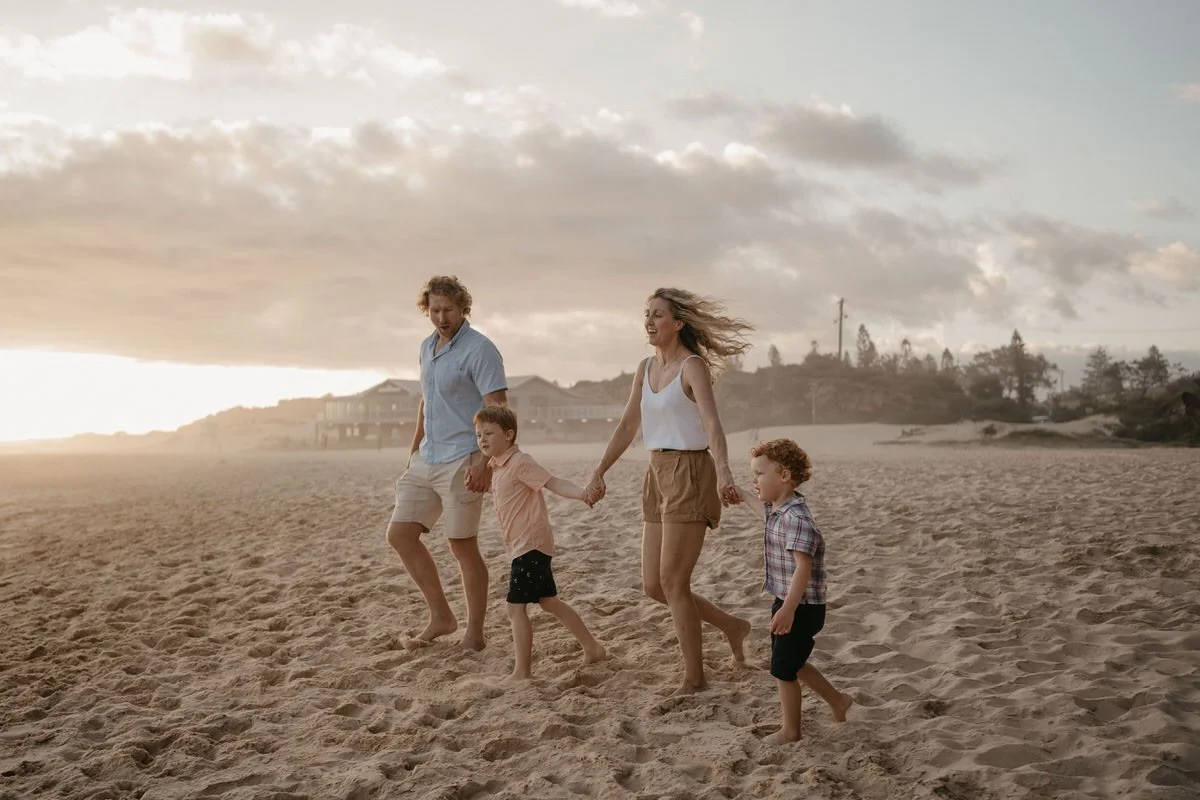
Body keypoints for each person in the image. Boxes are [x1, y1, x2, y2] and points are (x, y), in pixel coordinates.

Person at [584, 287, 752, 692]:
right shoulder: (644, 368)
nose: (649, 321)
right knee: (654, 586)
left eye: (658, 315)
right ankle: (733, 626)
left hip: (691, 472)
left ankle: (695, 678)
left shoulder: (692, 367)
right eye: (647, 314)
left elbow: (713, 425)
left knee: (674, 582)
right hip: (656, 473)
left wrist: (725, 472)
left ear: (678, 324)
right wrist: (599, 471)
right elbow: (628, 426)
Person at [385, 275, 507, 652]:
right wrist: (414, 449)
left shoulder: (481, 350)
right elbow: (426, 400)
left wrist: (486, 464)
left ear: (462, 308)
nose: (441, 317)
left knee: (461, 545)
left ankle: (474, 632)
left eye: (448, 310)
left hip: (464, 458)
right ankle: (441, 616)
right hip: (428, 455)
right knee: (400, 534)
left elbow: (498, 409)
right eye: (434, 310)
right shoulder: (427, 347)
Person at [474, 406, 607, 679]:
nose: (482, 439)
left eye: (489, 433)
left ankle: (522, 672)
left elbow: (552, 482)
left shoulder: (521, 462)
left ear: (509, 435)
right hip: (522, 545)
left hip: (530, 543)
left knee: (515, 607)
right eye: (478, 435)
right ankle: (593, 648)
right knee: (549, 602)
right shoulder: (496, 467)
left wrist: (582, 494)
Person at [733, 438, 853, 743]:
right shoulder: (779, 510)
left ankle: (791, 731)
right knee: (793, 662)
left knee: (783, 669)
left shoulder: (798, 519)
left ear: (784, 475)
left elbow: (804, 567)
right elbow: (764, 517)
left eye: (759, 474)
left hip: (801, 606)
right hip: (787, 600)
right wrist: (742, 496)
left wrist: (788, 609)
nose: (755, 480)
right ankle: (838, 701)